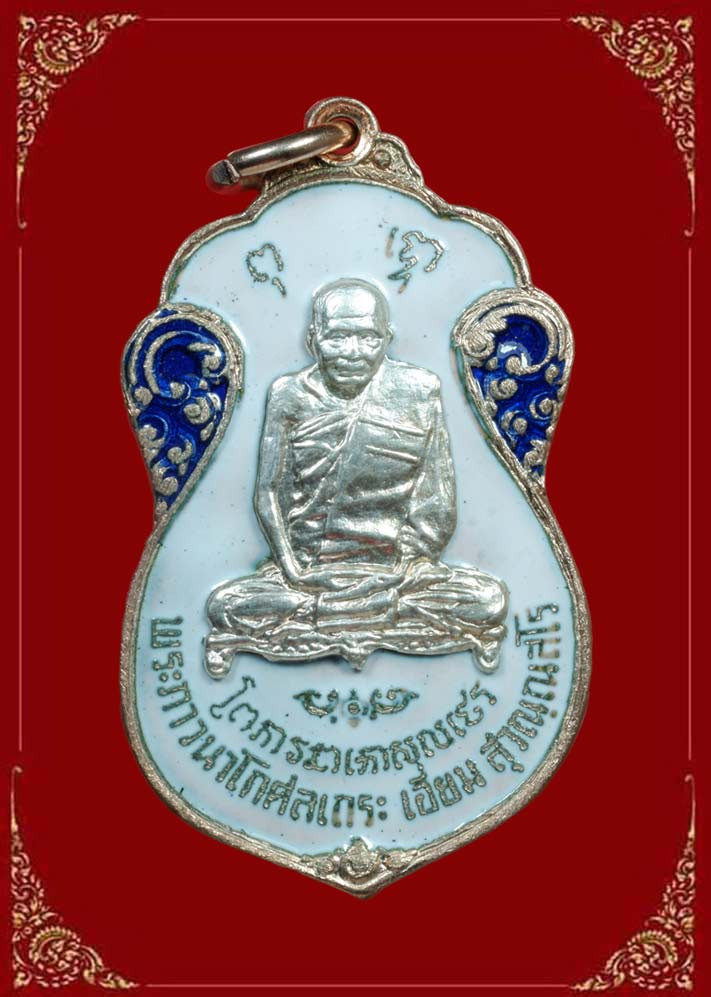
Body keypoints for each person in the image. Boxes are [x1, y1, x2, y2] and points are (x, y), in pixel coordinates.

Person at [204, 278, 507, 676]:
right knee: (225, 605)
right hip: (308, 570)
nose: (352, 352)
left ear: (387, 338)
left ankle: (328, 614)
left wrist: (400, 567)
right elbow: (269, 493)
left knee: (488, 600)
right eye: (337, 338)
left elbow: (437, 497)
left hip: (396, 570)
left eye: (367, 338)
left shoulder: (418, 390)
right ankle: (370, 613)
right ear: (313, 340)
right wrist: (293, 569)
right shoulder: (289, 394)